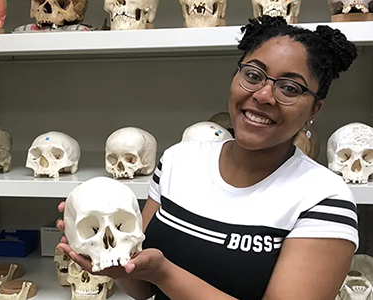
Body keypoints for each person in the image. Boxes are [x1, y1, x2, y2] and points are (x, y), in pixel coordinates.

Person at [56, 15, 359, 300]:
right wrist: (107, 255)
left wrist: (165, 273)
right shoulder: (178, 161)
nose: (263, 95)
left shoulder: (323, 198)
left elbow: (158, 275)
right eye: (253, 75)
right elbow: (140, 288)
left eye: (289, 88)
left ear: (314, 110)